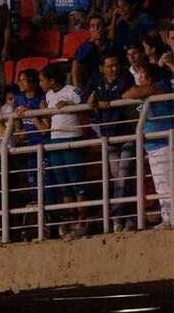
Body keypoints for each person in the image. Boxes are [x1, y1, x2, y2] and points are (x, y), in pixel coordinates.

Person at [85, 53, 135, 232]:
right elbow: (87, 99)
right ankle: (130, 218)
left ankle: (117, 218)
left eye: (116, 65)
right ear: (101, 68)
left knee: (123, 176)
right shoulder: (96, 82)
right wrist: (91, 101)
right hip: (108, 136)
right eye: (109, 66)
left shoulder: (126, 78)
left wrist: (110, 102)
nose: (114, 69)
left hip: (127, 135)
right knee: (120, 179)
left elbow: (129, 99)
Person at [39, 64, 87, 239]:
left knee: (77, 182)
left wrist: (68, 104)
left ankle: (82, 221)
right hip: (55, 141)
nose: (40, 83)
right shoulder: (48, 95)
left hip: (72, 138)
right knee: (63, 183)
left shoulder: (71, 90)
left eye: (42, 80)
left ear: (52, 80)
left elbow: (85, 104)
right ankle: (69, 220)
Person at [123, 64, 173, 230]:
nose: (139, 78)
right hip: (153, 144)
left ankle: (170, 219)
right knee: (161, 184)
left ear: (150, 77)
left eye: (142, 74)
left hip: (165, 143)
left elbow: (131, 93)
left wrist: (135, 89)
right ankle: (168, 218)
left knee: (168, 181)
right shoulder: (152, 89)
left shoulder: (160, 86)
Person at [72, 14, 118, 89]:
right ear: (89, 30)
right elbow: (76, 66)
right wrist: (77, 88)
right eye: (93, 26)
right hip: (92, 83)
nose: (96, 28)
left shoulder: (111, 44)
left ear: (104, 28)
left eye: (99, 25)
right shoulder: (86, 47)